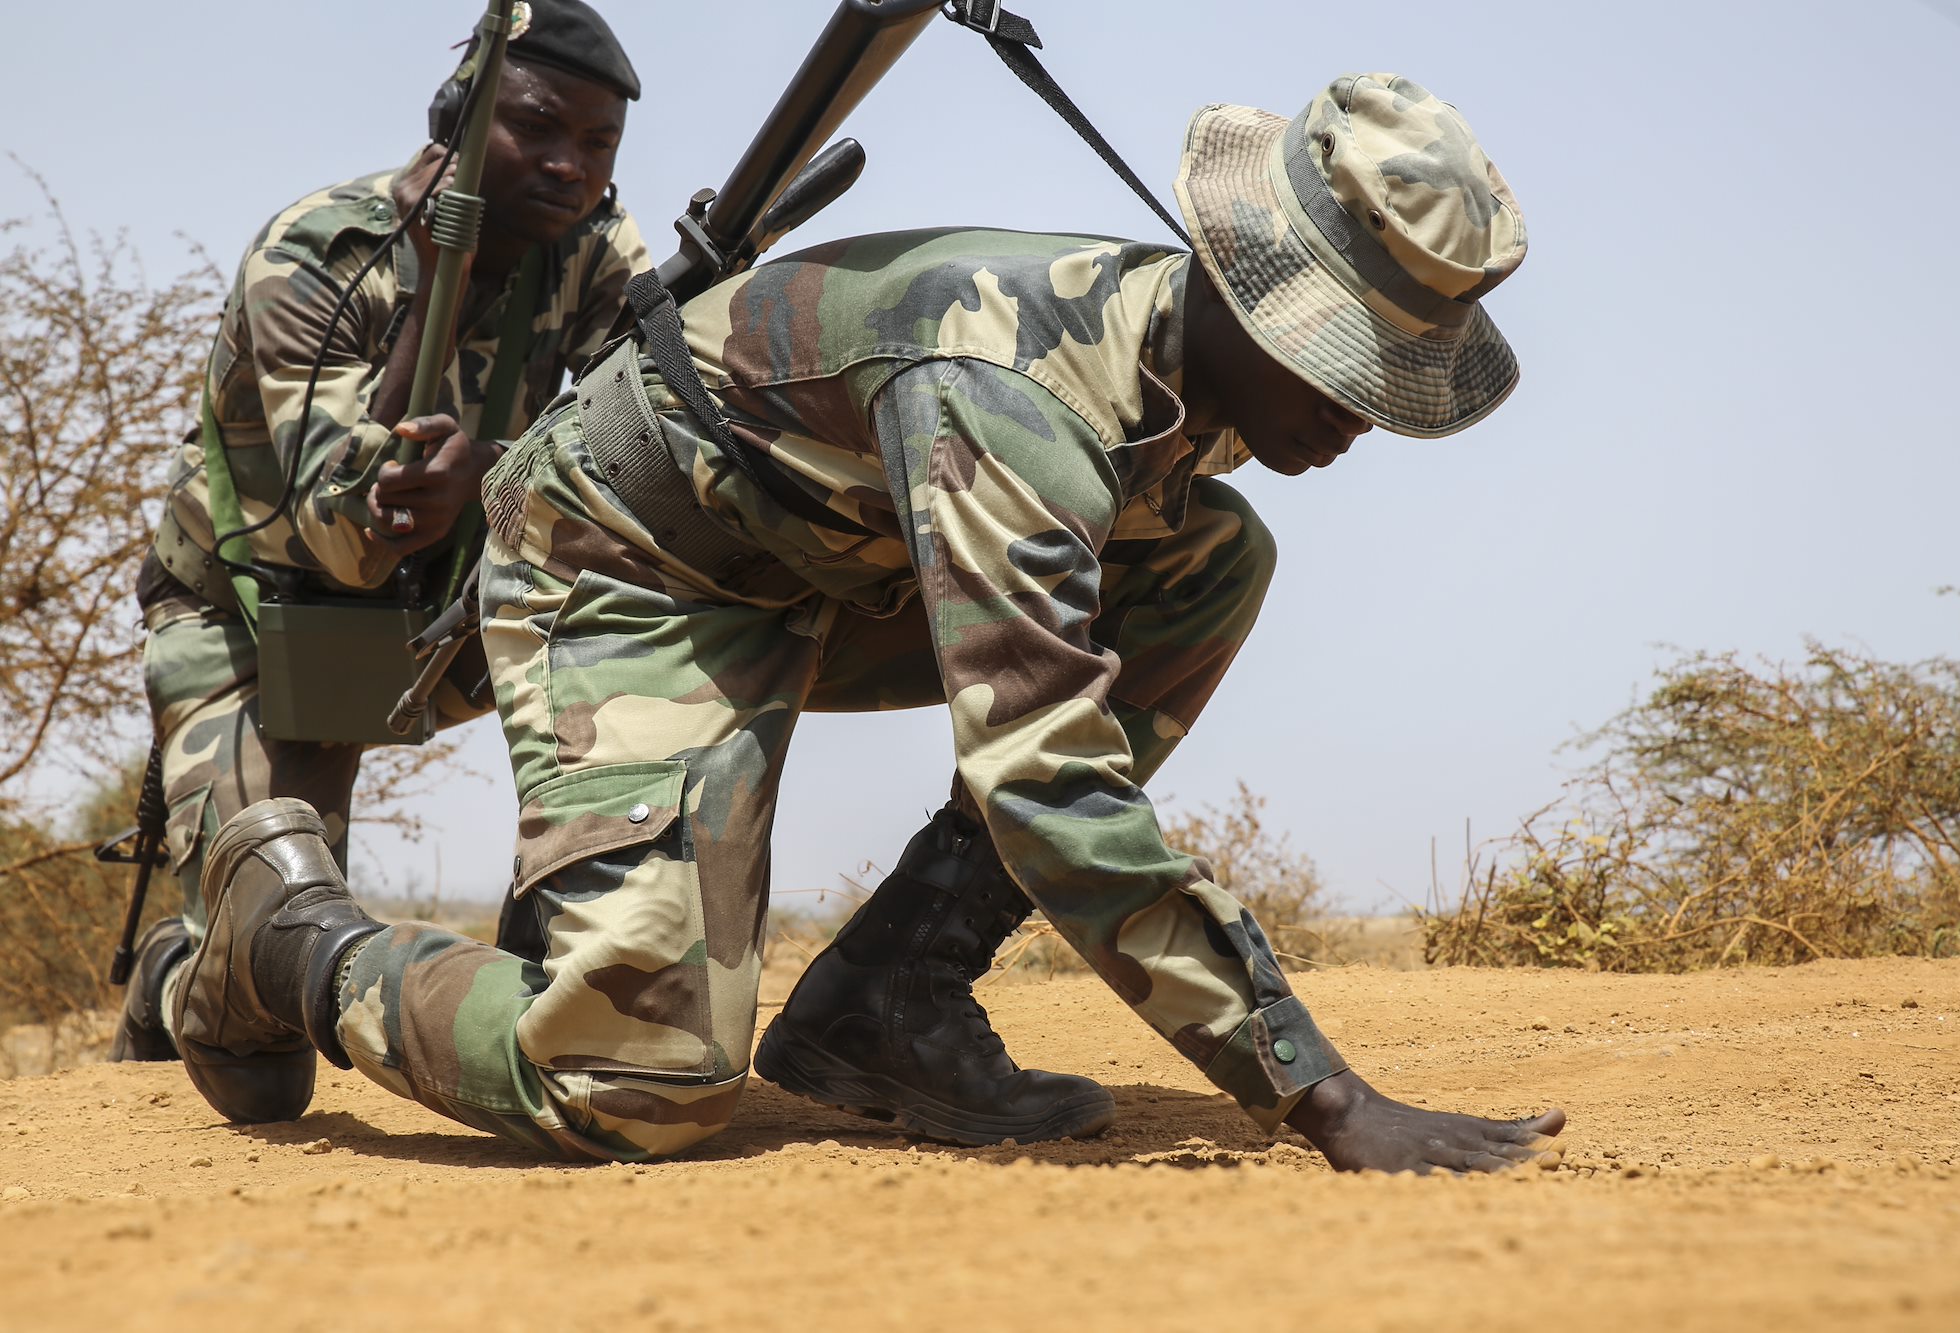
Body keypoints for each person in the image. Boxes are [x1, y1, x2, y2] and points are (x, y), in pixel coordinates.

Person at [172, 71, 1567, 1172]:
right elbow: (1046, 778)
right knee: (633, 1083)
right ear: (1247, 285)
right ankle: (281, 929)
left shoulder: (1167, 372)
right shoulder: (1014, 395)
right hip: (636, 560)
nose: (1358, 411)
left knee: (1210, 557)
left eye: (1390, 374)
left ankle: (888, 998)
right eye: (1343, 359)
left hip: (819, 563)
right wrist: (1317, 1092)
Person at [109, 1, 651, 1127]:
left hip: (440, 616)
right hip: (247, 629)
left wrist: (490, 469)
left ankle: (572, 936)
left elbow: (643, 447)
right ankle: (179, 970)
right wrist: (431, 294)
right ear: (454, 119)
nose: (570, 166)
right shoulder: (318, 250)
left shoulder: (597, 251)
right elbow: (349, 541)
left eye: (599, 146)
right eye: (539, 127)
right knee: (266, 1043)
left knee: (646, 606)